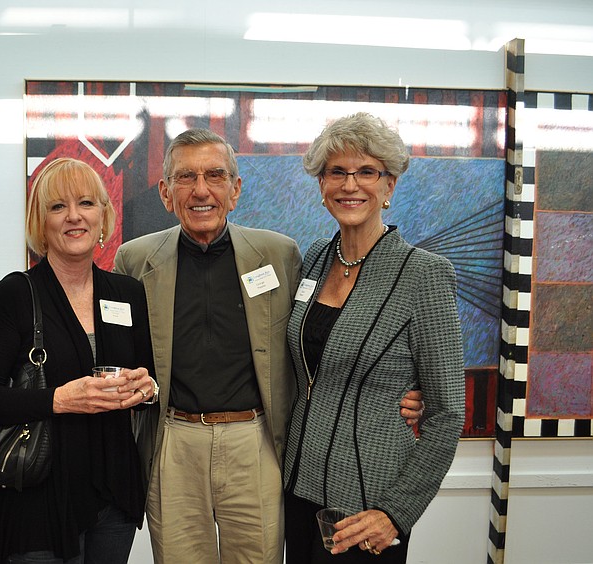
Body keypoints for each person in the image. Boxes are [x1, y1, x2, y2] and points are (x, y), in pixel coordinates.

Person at [114, 128, 424, 564]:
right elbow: (117, 356)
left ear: (235, 189)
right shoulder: (133, 261)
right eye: (185, 178)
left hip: (255, 442)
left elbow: (321, 338)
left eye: (215, 175)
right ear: (166, 193)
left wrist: (415, 390)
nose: (201, 190)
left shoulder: (280, 255)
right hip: (174, 442)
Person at [282, 113, 466, 562]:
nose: (351, 185)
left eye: (367, 172)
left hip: (366, 505)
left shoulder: (424, 274)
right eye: (337, 172)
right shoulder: (314, 260)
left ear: (390, 187)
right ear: (321, 185)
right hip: (297, 488)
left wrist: (394, 513)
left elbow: (447, 413)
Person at [0, 157, 156, 563]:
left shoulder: (127, 293)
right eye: (57, 207)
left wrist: (147, 388)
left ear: (104, 216)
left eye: (86, 203)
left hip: (113, 496)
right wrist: (60, 400)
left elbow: (146, 373)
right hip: (37, 501)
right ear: (41, 222)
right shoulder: (14, 296)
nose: (74, 217)